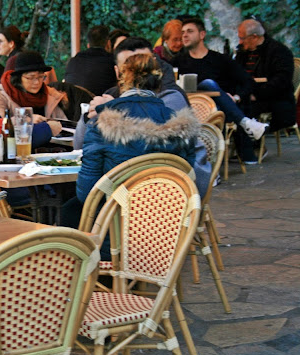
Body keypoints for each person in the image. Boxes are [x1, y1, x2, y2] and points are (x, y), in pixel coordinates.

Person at [61, 54, 198, 233]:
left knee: (70, 209)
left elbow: (87, 193)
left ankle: (79, 259)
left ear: (119, 76)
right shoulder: (182, 126)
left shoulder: (102, 124)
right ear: (159, 81)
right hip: (166, 227)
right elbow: (187, 179)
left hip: (115, 231)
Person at [173, 17, 268, 163]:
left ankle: (212, 164)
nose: (184, 35)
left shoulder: (220, 60)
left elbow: (248, 81)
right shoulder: (178, 62)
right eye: (183, 32)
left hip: (220, 112)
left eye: (190, 31)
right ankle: (246, 123)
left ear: (202, 34)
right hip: (190, 111)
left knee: (210, 86)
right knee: (209, 84)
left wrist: (236, 98)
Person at [0, 50, 65, 150]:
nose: (37, 82)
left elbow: (64, 124)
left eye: (41, 77)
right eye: (30, 78)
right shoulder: (1, 98)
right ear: (18, 78)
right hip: (17, 153)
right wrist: (26, 119)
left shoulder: (52, 95)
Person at [235, 19, 296, 133]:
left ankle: (254, 148)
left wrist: (256, 95)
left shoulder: (279, 51)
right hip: (246, 95)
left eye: (242, 38)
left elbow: (282, 80)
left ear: (254, 37)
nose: (240, 42)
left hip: (273, 98)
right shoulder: (242, 53)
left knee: (244, 111)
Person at [64, 25, 117, 96]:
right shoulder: (112, 62)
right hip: (99, 105)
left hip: (73, 104)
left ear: (88, 45)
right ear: (108, 43)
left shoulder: (74, 61)